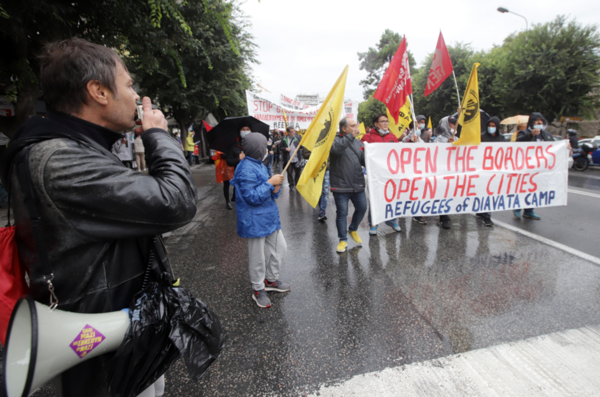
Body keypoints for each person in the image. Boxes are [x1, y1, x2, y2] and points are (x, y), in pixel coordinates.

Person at [0, 38, 197, 397]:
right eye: (128, 84)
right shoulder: (58, 159)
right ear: (98, 91)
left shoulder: (76, 146)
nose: (136, 95)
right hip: (99, 344)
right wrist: (157, 136)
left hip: (123, 332)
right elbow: (176, 201)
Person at [230, 133, 290, 308]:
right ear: (257, 148)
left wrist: (275, 187)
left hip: (270, 218)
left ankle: (270, 280)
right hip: (254, 221)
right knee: (257, 258)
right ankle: (258, 288)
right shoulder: (244, 168)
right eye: (264, 146)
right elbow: (251, 197)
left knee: (280, 249)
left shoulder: (260, 165)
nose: (266, 149)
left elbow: (271, 194)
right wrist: (270, 183)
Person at [330, 118, 367, 253]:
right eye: (352, 126)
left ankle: (353, 229)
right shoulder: (334, 140)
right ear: (344, 129)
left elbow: (363, 160)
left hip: (358, 183)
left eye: (356, 125)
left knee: (362, 208)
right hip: (341, 185)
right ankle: (343, 240)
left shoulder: (358, 142)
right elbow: (336, 150)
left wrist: (370, 154)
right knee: (342, 213)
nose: (356, 127)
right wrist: (351, 137)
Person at [361, 113, 402, 234]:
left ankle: (392, 220)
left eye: (387, 121)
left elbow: (399, 153)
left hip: (390, 174)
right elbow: (361, 155)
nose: (386, 124)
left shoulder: (392, 137)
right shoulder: (367, 138)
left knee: (392, 197)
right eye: (383, 121)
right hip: (374, 175)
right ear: (376, 124)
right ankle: (374, 223)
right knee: (375, 199)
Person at [514, 112, 553, 220]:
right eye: (536, 121)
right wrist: (531, 135)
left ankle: (529, 210)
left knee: (534, 189)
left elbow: (554, 148)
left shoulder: (546, 134)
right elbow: (518, 143)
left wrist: (565, 146)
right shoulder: (524, 132)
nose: (539, 123)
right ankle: (517, 207)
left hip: (540, 168)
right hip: (525, 166)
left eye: (541, 121)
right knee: (523, 187)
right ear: (531, 123)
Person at [476, 117, 504, 226]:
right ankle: (486, 215)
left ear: (497, 127)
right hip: (483, 169)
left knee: (490, 192)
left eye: (493, 126)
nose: (491, 128)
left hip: (495, 169)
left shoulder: (501, 138)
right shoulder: (482, 136)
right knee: (484, 191)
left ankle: (485, 213)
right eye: (489, 125)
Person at [223, 123, 251, 209]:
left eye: (247, 129)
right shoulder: (233, 146)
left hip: (250, 176)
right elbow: (229, 161)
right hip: (237, 174)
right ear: (239, 131)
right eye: (243, 129)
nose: (245, 131)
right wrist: (238, 159)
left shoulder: (254, 144)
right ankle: (229, 201)